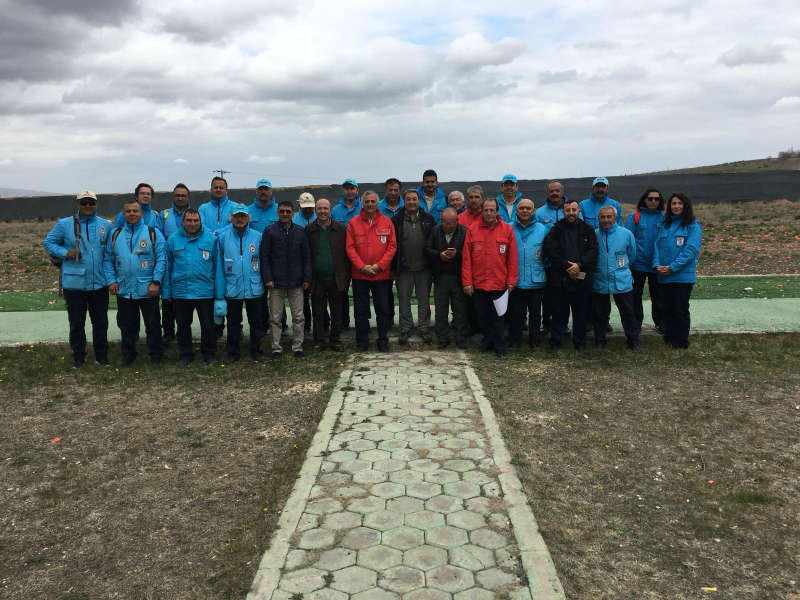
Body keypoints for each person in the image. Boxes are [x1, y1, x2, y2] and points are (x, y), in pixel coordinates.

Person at [44, 190, 111, 368]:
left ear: (96, 204)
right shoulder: (64, 224)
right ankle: (78, 358)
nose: (88, 206)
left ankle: (102, 357)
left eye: (91, 203)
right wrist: (66, 253)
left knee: (101, 323)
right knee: (76, 323)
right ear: (78, 205)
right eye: (84, 203)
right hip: (74, 284)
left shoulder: (106, 225)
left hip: (99, 283)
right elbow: (48, 243)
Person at [104, 199, 167, 367]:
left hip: (148, 289)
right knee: (127, 326)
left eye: (135, 211)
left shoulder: (153, 233)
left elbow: (161, 259)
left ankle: (156, 356)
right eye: (128, 211)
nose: (132, 214)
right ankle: (128, 355)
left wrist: (156, 282)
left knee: (153, 325)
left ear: (141, 213)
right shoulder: (115, 234)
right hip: (124, 288)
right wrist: (111, 281)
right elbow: (108, 260)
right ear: (123, 214)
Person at [162, 208, 226, 365]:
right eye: (189, 220)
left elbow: (218, 268)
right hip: (181, 292)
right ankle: (185, 355)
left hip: (205, 291)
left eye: (195, 220)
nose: (192, 224)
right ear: (183, 222)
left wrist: (219, 294)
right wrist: (167, 291)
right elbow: (167, 267)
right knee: (183, 326)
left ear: (200, 221)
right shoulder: (173, 240)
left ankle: (210, 354)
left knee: (208, 326)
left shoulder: (211, 239)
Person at [462, 197, 518, 356]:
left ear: (497, 211)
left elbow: (512, 258)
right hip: (479, 283)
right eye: (486, 210)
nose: (488, 213)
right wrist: (467, 282)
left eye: (492, 210)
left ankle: (499, 346)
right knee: (483, 317)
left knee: (499, 317)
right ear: (482, 211)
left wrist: (511, 281)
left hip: (499, 283)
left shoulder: (507, 229)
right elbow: (466, 259)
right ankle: (487, 342)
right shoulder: (472, 229)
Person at [345, 190, 397, 351]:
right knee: (360, 310)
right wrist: (362, 266)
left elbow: (392, 246)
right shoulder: (353, 223)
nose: (369, 204)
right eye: (366, 201)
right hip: (360, 275)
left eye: (372, 202)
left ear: (377, 203)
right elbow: (350, 248)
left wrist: (379, 266)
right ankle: (362, 341)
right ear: (362, 203)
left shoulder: (387, 221)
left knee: (382, 309)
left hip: (381, 274)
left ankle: (383, 340)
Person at [543, 199, 598, 352]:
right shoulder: (556, 230)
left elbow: (593, 252)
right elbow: (551, 251)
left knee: (580, 313)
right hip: (560, 277)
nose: (571, 213)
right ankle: (555, 341)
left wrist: (578, 265)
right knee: (559, 313)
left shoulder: (588, 229)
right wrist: (567, 266)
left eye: (574, 210)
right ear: (563, 212)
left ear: (579, 211)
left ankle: (580, 343)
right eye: (568, 210)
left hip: (581, 277)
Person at [260, 200, 311, 359]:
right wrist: (268, 278)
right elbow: (264, 256)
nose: (285, 214)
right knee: (275, 318)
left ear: (293, 213)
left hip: (296, 282)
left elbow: (307, 257)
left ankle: (298, 347)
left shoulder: (300, 231)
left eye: (288, 211)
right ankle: (276, 348)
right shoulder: (269, 231)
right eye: (282, 211)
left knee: (298, 317)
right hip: (276, 282)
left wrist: (306, 278)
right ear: (277, 213)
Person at [653, 192, 702, 349]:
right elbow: (656, 246)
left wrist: (672, 267)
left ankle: (681, 341)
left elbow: (690, 250)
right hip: (664, 276)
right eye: (673, 203)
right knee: (666, 308)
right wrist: (657, 265)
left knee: (680, 309)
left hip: (682, 276)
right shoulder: (664, 224)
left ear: (685, 205)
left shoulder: (692, 225)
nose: (676, 206)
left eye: (679, 203)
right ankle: (669, 337)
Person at [218, 203, 266, 361]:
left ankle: (256, 351)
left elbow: (264, 261)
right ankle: (232, 353)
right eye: (237, 216)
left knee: (256, 322)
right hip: (232, 287)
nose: (240, 219)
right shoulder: (223, 237)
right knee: (233, 323)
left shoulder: (258, 236)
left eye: (243, 216)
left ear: (248, 218)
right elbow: (219, 263)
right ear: (231, 218)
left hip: (254, 286)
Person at [592, 206, 642, 352]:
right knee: (599, 314)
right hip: (600, 280)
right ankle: (600, 341)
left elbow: (632, 255)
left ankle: (633, 341)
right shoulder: (594, 235)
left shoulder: (626, 234)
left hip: (622, 280)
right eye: (602, 217)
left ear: (615, 218)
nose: (606, 220)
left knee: (628, 312)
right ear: (598, 218)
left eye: (609, 217)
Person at [391, 189, 435, 344]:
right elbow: (392, 245)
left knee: (424, 300)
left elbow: (433, 242)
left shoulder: (428, 219)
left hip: (424, 268)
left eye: (414, 199)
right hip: (404, 268)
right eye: (408, 199)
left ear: (419, 201)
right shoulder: (396, 220)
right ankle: (405, 328)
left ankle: (423, 328)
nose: (411, 202)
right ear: (404, 201)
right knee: (404, 300)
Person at [306, 198, 349, 351]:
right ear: (315, 210)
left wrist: (346, 276)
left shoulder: (341, 229)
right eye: (319, 209)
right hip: (317, 278)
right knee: (318, 312)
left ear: (330, 210)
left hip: (336, 277)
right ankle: (319, 341)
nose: (322, 211)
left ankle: (335, 340)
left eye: (325, 208)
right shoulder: (309, 230)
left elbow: (347, 253)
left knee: (337, 311)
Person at [425, 207, 468, 349]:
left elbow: (470, 254)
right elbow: (427, 249)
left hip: (458, 277)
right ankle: (442, 338)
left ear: (457, 220)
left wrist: (457, 254)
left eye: (452, 223)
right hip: (441, 277)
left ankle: (460, 338)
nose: (449, 226)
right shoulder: (435, 231)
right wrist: (439, 255)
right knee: (441, 310)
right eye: (446, 223)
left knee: (460, 310)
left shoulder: (464, 231)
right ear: (441, 221)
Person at [624, 188, 666, 332]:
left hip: (657, 265)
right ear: (644, 200)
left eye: (656, 199)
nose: (653, 201)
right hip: (637, 264)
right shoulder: (634, 217)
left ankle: (661, 323)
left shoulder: (665, 217)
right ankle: (636, 323)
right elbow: (627, 240)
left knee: (658, 295)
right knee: (635, 295)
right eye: (650, 198)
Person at [509, 198, 547, 349]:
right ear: (517, 211)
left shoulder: (542, 229)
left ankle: (534, 341)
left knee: (535, 314)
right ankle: (514, 341)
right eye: (521, 208)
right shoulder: (508, 228)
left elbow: (548, 254)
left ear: (533, 211)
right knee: (515, 314)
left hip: (535, 280)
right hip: (515, 279)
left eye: (528, 208)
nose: (524, 211)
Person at [159, 183, 191, 342]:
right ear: (173, 197)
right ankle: (168, 332)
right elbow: (158, 236)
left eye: (183, 195)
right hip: (169, 261)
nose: (180, 198)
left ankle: (182, 333)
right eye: (177, 195)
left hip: (189, 263)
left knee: (184, 300)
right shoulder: (164, 215)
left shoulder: (194, 214)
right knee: (167, 298)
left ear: (188, 198)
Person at [535, 180, 567, 336]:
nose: (554, 193)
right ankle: (546, 323)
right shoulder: (540, 213)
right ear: (547, 193)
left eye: (557, 191)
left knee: (564, 295)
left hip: (566, 262)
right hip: (547, 262)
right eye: (551, 191)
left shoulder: (569, 210)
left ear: (562, 192)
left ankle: (563, 324)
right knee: (547, 296)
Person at [331, 178, 361, 329]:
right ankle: (343, 321)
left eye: (352, 188)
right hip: (341, 256)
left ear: (357, 190)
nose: (349, 191)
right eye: (346, 188)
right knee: (341, 289)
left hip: (360, 255)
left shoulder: (363, 207)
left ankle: (362, 321)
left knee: (359, 290)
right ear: (343, 191)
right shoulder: (335, 210)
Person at [293, 191, 316, 330]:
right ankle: (306, 325)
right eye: (305, 207)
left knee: (319, 296)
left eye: (310, 207)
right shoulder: (294, 219)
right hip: (300, 263)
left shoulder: (319, 216)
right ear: (299, 206)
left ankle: (324, 323)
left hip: (316, 261)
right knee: (303, 298)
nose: (308, 209)